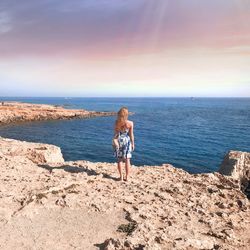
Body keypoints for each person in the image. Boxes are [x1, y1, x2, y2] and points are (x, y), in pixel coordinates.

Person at [113, 107, 135, 181]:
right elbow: (131, 135)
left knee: (119, 160)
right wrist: (132, 144)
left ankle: (121, 177)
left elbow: (115, 134)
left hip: (119, 141)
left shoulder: (116, 122)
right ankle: (127, 177)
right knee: (127, 160)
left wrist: (115, 142)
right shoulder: (130, 123)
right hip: (126, 141)